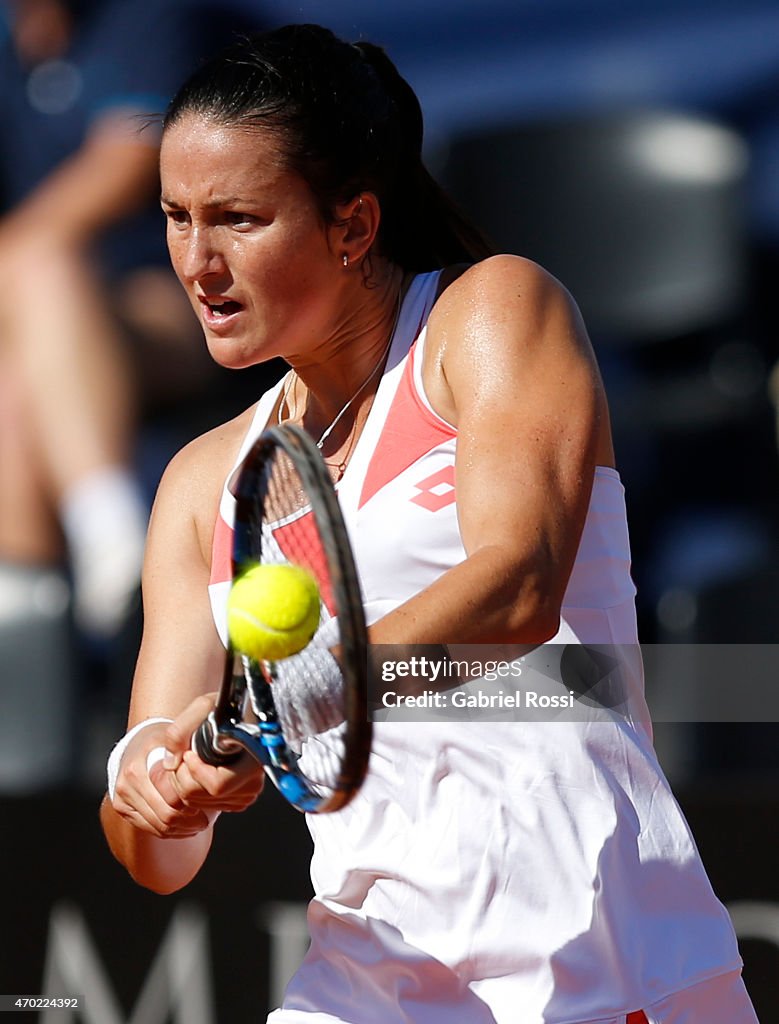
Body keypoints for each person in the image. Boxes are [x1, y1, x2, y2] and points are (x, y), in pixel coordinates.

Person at [100, 24, 758, 1024]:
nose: (197, 261)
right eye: (176, 217)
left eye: (237, 218)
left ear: (353, 225)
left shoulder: (491, 313)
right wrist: (159, 792)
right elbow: (157, 858)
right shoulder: (201, 484)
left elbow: (520, 585)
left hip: (598, 960)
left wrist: (303, 691)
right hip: (361, 984)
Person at [0, 0, 264, 640]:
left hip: (182, 303)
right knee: (16, 388)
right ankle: (51, 636)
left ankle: (105, 548)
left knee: (40, 268)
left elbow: (127, 159)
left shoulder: (150, 15)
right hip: (40, 328)